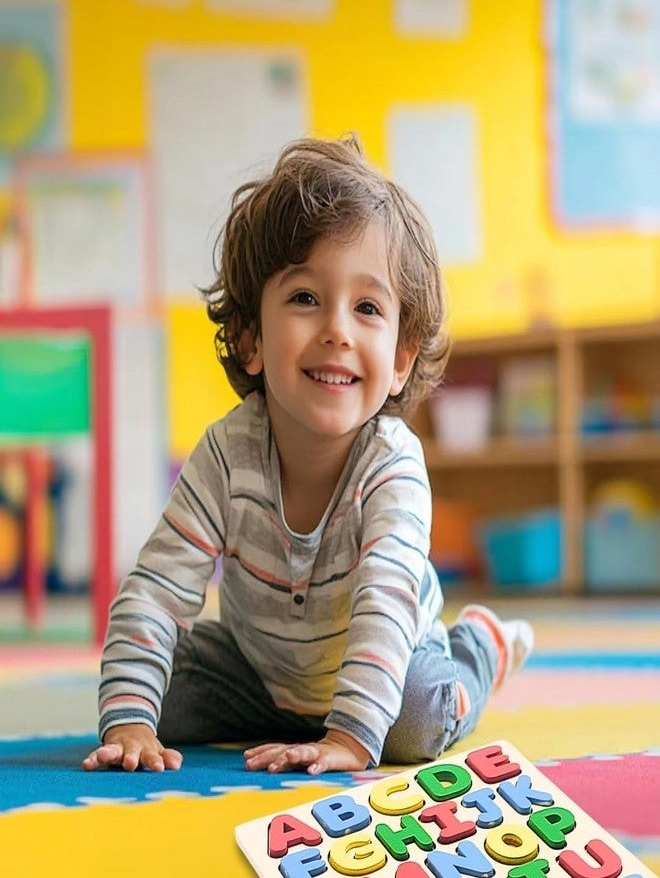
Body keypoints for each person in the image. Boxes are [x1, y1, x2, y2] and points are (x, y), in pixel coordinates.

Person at [82, 135, 533, 776]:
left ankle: (477, 651)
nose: (337, 329)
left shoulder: (392, 466)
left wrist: (348, 740)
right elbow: (157, 590)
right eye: (303, 298)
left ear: (401, 360)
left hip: (387, 654)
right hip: (259, 666)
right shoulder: (226, 453)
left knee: (415, 720)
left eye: (368, 308)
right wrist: (129, 722)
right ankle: (285, 716)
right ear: (249, 338)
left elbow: (383, 601)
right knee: (158, 699)